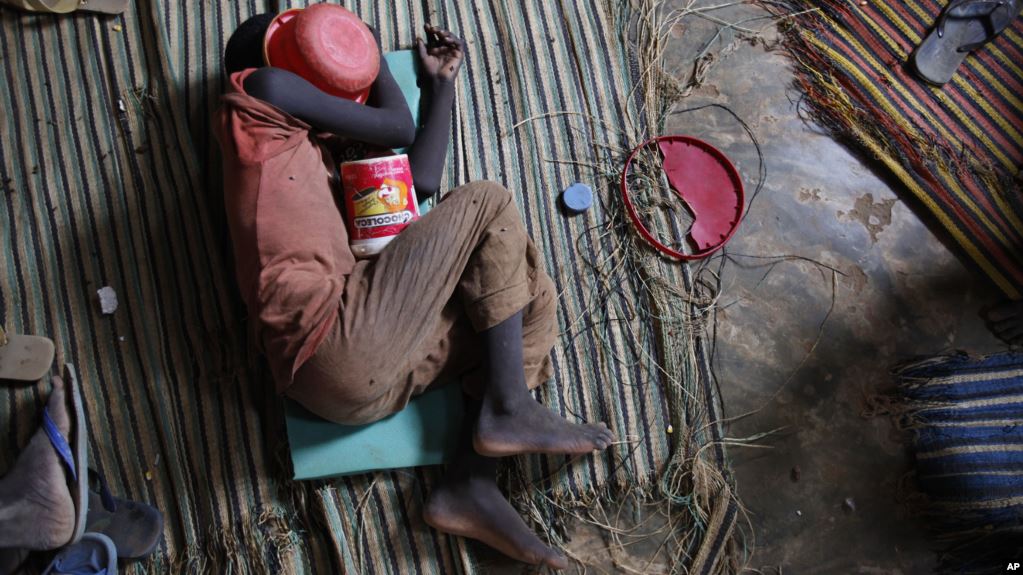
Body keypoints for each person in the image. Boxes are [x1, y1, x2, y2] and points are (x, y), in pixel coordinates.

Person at [216, 12, 614, 570]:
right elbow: (397, 127)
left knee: (524, 302)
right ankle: (507, 406)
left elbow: (417, 180)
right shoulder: (259, 90)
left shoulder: (315, 150)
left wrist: (442, 85)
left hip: (350, 386)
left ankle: (469, 485)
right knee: (487, 201)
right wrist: (368, 51)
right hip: (331, 339)